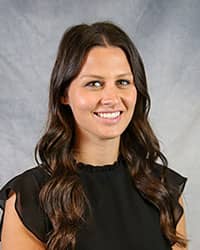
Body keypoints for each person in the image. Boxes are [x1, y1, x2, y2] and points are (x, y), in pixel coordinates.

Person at [0, 21, 187, 250]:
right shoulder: (29, 199)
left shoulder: (163, 190)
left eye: (123, 82)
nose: (111, 97)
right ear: (64, 94)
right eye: (94, 83)